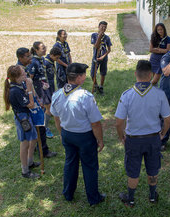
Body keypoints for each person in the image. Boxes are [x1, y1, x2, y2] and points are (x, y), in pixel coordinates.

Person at [115, 60, 170, 207]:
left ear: (135, 74)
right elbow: (168, 119)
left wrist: (121, 136)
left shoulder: (127, 95)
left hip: (133, 140)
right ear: (151, 75)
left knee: (133, 169)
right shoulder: (159, 94)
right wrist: (163, 134)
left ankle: (131, 199)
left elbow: (119, 122)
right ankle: (152, 196)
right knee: (153, 168)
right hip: (153, 138)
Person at [50, 63, 106, 206]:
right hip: (84, 137)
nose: (85, 76)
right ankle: (93, 198)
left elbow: (56, 118)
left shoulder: (57, 94)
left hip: (67, 134)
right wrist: (100, 140)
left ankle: (68, 193)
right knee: (90, 166)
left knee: (70, 163)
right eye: (84, 74)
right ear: (80, 78)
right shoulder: (85, 96)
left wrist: (61, 133)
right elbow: (95, 123)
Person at [17, 47, 57, 158]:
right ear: (20, 58)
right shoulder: (19, 71)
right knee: (40, 128)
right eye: (27, 56)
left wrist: (38, 99)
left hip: (34, 101)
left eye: (30, 55)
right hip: (29, 105)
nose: (30, 57)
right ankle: (43, 151)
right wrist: (33, 101)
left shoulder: (24, 68)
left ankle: (38, 148)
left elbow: (30, 84)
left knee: (39, 128)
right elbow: (25, 89)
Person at [3, 65, 40, 179]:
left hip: (28, 115)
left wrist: (30, 87)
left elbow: (33, 97)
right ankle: (25, 171)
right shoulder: (14, 91)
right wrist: (29, 89)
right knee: (25, 143)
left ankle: (30, 162)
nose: (26, 74)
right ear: (17, 77)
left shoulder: (20, 84)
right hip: (23, 118)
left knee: (33, 139)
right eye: (23, 74)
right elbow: (31, 104)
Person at [29, 41, 55, 139]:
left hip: (45, 86)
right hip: (39, 87)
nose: (45, 49)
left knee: (46, 107)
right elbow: (30, 78)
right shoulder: (33, 62)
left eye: (45, 47)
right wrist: (34, 93)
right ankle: (45, 128)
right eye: (42, 48)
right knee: (48, 108)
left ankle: (43, 127)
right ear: (36, 50)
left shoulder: (42, 59)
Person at [90, 21, 112, 95]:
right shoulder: (94, 35)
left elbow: (109, 49)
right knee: (92, 74)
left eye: (105, 27)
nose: (103, 28)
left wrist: (103, 56)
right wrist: (100, 36)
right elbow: (96, 46)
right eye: (102, 26)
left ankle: (101, 87)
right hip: (96, 57)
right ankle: (96, 86)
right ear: (98, 27)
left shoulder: (107, 38)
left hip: (103, 58)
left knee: (103, 72)